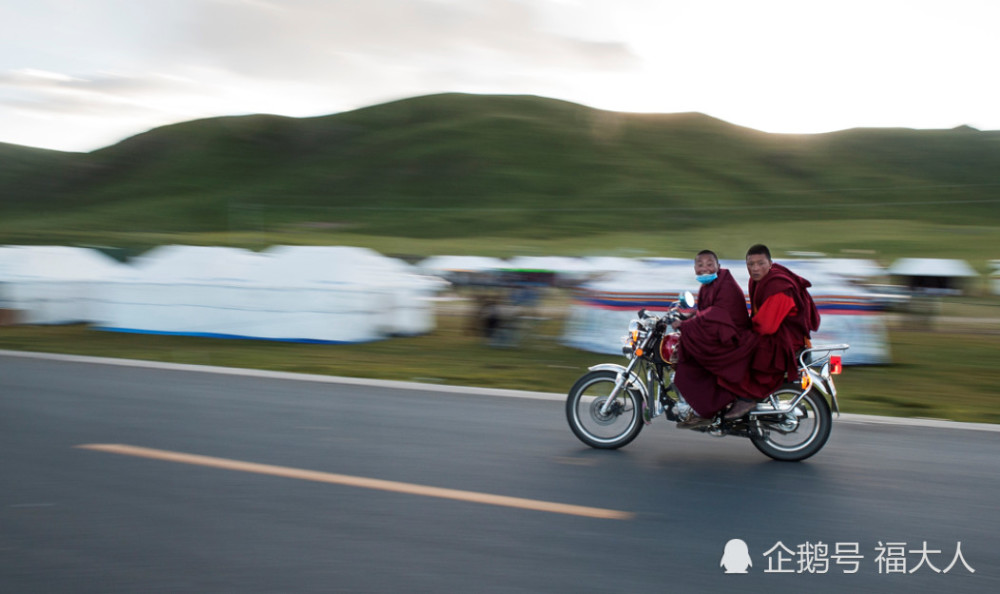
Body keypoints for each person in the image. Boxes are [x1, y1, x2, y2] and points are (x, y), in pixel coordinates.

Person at [720, 244, 821, 419]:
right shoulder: (757, 280)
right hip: (776, 332)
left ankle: (747, 397)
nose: (755, 268)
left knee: (739, 350)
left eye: (760, 263)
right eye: (751, 264)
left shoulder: (779, 286)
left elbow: (766, 326)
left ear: (770, 263)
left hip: (786, 341)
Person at [671, 250, 757, 427]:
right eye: (700, 265)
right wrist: (688, 317)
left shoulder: (726, 285)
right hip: (722, 332)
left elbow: (717, 314)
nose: (705, 269)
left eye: (709, 264)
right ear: (694, 268)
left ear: (718, 266)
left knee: (692, 360)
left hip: (734, 339)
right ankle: (701, 407)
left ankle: (709, 408)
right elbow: (705, 312)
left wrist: (686, 325)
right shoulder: (708, 286)